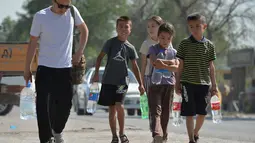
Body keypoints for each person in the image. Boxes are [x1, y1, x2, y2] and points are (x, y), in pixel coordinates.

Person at [24, 0, 89, 143]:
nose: (64, 10)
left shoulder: (72, 12)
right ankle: (46, 139)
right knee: (43, 106)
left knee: (65, 105)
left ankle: (57, 131)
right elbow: (33, 43)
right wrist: (27, 67)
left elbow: (84, 30)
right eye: (61, 6)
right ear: (53, 1)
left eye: (67, 6)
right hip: (45, 68)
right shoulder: (41, 16)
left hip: (65, 69)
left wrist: (79, 53)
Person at [92, 16, 145, 143]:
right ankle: (114, 136)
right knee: (111, 110)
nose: (123, 29)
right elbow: (99, 58)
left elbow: (135, 66)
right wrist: (96, 74)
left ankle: (122, 133)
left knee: (119, 105)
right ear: (116, 28)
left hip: (122, 82)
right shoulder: (110, 43)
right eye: (120, 26)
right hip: (108, 81)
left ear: (130, 29)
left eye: (126, 26)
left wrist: (140, 84)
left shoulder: (130, 48)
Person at [175, 13, 218, 143]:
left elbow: (211, 67)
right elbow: (180, 66)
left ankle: (195, 132)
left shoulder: (209, 45)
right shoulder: (184, 44)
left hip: (204, 84)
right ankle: (191, 140)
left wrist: (214, 86)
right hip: (187, 83)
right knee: (189, 113)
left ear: (204, 27)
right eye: (191, 27)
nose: (194, 29)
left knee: (202, 113)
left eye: (197, 26)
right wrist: (177, 83)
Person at [147, 22, 179, 143]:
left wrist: (164, 63)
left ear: (172, 38)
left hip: (169, 84)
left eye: (168, 38)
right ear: (158, 36)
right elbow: (155, 62)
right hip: (155, 84)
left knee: (166, 112)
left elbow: (177, 67)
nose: (165, 41)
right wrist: (171, 64)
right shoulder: (153, 48)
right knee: (156, 110)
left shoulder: (175, 52)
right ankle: (157, 134)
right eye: (162, 38)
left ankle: (163, 137)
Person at [139, 15, 164, 131]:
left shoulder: (166, 41)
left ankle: (162, 129)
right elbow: (143, 64)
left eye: (153, 26)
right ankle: (155, 130)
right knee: (153, 106)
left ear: (161, 27)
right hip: (149, 78)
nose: (150, 29)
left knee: (163, 107)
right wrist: (141, 82)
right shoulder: (146, 44)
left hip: (165, 78)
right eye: (148, 26)